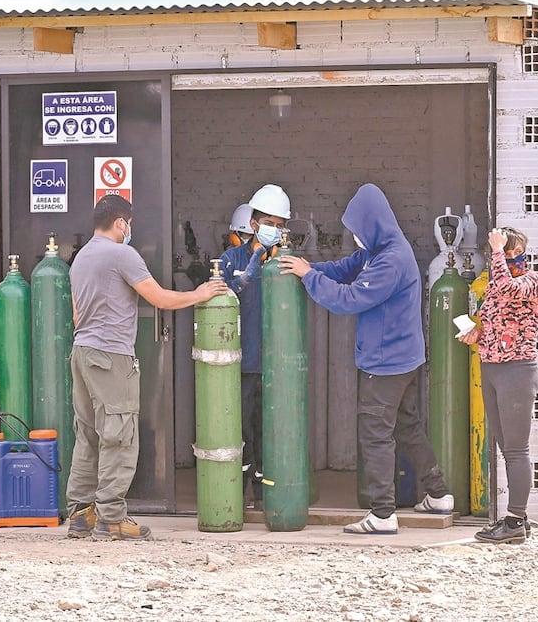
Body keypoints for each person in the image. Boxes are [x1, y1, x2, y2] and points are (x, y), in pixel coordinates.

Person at [277, 183, 454, 534]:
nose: (355, 237)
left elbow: (350, 299)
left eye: (358, 230)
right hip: (403, 358)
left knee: (375, 434)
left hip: (386, 362)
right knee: (406, 426)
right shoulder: (379, 249)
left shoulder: (391, 260)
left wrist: (308, 277)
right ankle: (438, 494)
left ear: (373, 224)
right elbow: (345, 268)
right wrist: (309, 267)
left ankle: (383, 514)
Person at [66, 194, 228, 541]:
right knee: (119, 434)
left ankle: (82, 515)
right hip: (111, 355)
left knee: (88, 434)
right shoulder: (122, 254)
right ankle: (111, 518)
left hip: (81, 352)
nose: (130, 230)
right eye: (129, 224)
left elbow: (77, 314)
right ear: (121, 223)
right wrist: (200, 293)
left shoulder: (81, 258)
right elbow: (160, 299)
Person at [459, 227, 538, 544]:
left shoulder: (529, 281)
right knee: (506, 448)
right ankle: (518, 520)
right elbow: (491, 322)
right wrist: (475, 335)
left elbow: (507, 288)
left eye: (510, 250)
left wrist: (495, 248)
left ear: (523, 251)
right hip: (491, 368)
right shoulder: (493, 286)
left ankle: (515, 521)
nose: (505, 256)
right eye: (501, 251)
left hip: (517, 370)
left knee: (517, 450)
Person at [219, 185, 291, 507]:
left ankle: (264, 497)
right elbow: (217, 297)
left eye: (280, 225)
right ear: (254, 224)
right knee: (243, 432)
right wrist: (244, 277)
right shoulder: (230, 259)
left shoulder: (283, 262)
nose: (274, 230)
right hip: (243, 362)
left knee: (269, 433)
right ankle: (239, 494)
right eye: (270, 223)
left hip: (275, 364)